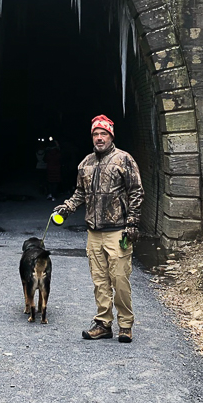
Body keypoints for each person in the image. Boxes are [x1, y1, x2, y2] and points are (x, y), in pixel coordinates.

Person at [53, 115, 143, 343]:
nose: (99, 138)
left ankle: (125, 325)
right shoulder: (85, 163)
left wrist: (132, 222)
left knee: (120, 279)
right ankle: (103, 323)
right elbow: (80, 193)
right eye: (95, 134)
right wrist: (67, 207)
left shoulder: (124, 159)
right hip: (94, 232)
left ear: (111, 135)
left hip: (117, 231)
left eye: (103, 133)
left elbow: (136, 192)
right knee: (100, 281)